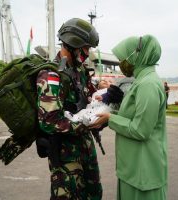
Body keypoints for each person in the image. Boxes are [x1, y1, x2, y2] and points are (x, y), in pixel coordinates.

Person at [91, 35, 168, 200]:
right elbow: (132, 117)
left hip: (143, 172)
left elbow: (141, 130)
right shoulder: (141, 82)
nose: (121, 63)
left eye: (124, 58)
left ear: (138, 56)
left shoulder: (148, 85)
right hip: (133, 169)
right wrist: (110, 114)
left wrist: (110, 118)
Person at [36, 18, 102, 199]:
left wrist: (100, 106)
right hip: (66, 156)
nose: (88, 53)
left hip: (85, 148)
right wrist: (84, 125)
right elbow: (48, 121)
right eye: (85, 48)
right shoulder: (52, 74)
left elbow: (87, 100)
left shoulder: (79, 71)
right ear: (73, 44)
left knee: (93, 194)